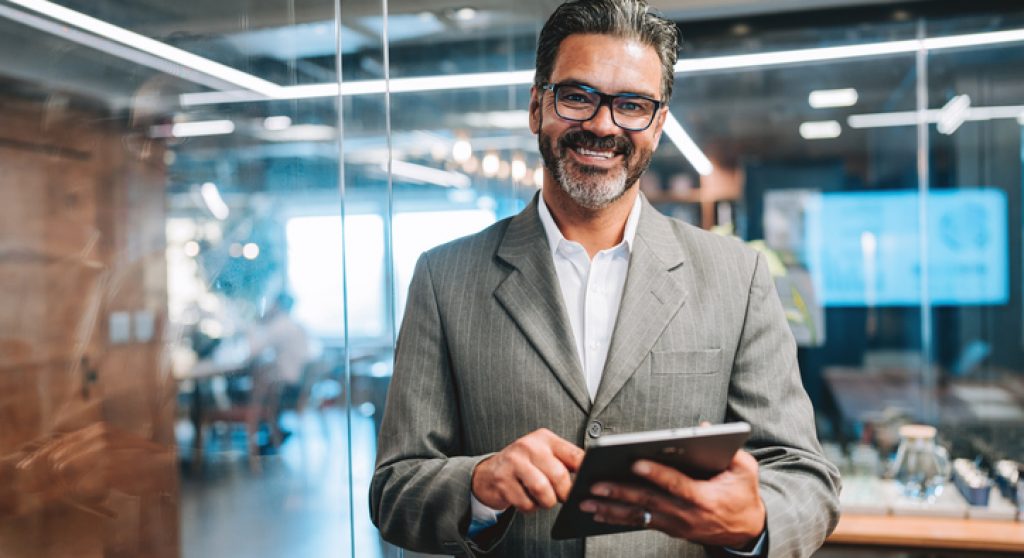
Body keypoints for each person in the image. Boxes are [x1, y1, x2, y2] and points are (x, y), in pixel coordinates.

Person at [370, 1, 841, 556]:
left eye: (632, 105)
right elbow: (394, 491)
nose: (601, 124)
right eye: (577, 96)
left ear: (659, 123)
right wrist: (479, 484)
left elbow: (806, 477)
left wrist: (756, 519)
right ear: (535, 106)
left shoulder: (736, 277)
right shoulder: (443, 277)